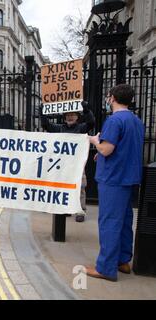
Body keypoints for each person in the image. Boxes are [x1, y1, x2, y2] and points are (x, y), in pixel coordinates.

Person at [86, 84, 145, 282]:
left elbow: (106, 149)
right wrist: (102, 155)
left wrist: (94, 141)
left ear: (112, 98)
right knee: (125, 221)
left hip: (113, 179)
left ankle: (105, 268)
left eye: (108, 96)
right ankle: (122, 260)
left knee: (109, 222)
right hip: (129, 177)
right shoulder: (136, 120)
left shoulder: (114, 120)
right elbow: (124, 148)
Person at [40, 101, 95, 222]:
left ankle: (80, 211)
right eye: (68, 115)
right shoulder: (59, 128)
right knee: (64, 186)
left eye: (73, 115)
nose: (70, 117)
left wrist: (86, 110)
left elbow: (91, 123)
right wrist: (42, 112)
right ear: (64, 117)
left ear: (77, 117)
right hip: (63, 164)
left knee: (80, 187)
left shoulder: (81, 128)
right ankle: (66, 208)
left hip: (77, 164)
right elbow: (46, 126)